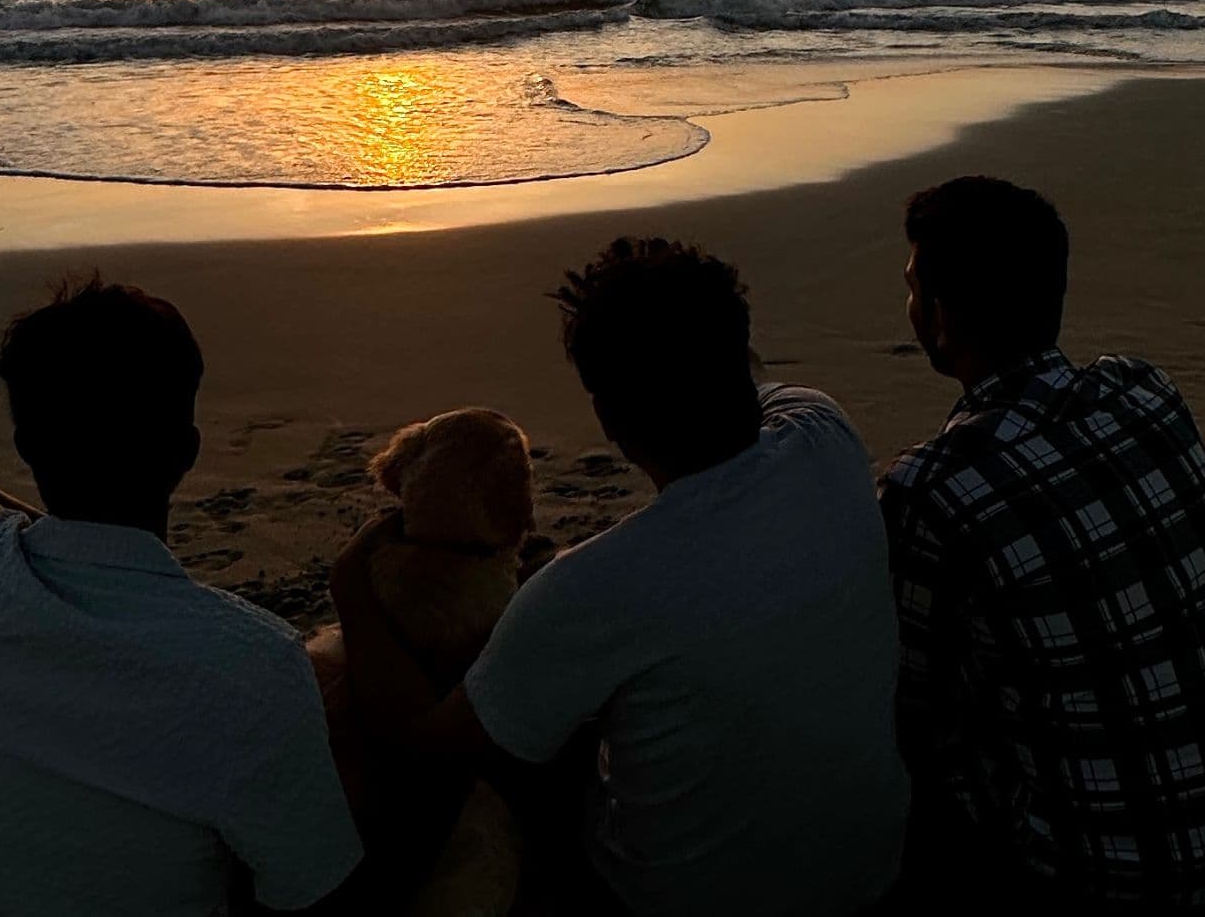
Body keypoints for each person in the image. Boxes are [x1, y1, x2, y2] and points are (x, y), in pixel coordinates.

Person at [330, 237, 911, 917]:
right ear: (741, 352)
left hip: (671, 900)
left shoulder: (593, 586)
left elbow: (425, 743)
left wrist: (352, 590)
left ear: (606, 418)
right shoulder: (822, 430)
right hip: (870, 865)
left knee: (507, 755)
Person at [0, 276, 363, 916]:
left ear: (26, 448)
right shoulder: (253, 662)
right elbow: (313, 893)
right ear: (187, 452)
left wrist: (38, 528)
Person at [878, 177, 1205, 910]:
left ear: (941, 319)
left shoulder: (933, 489)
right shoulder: (1143, 390)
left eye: (914, 289)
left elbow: (915, 706)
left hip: (1107, 869)